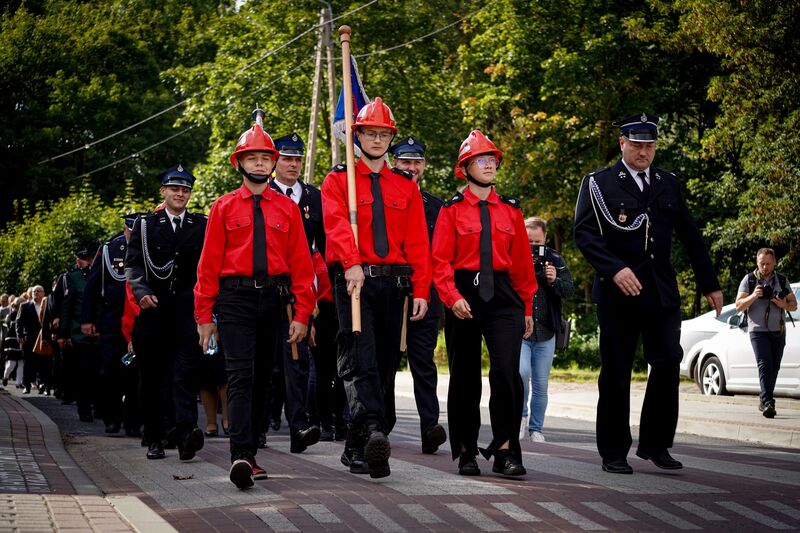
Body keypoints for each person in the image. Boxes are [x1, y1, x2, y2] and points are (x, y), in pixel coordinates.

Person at [574, 112, 723, 475]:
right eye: (637, 144)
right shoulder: (599, 183)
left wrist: (710, 283)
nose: (644, 152)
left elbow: (690, 236)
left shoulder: (667, 183)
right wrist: (614, 269)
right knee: (616, 372)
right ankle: (613, 450)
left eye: (650, 145)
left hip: (660, 293)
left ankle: (656, 444)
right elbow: (585, 234)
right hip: (618, 294)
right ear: (622, 144)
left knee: (668, 362)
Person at [194, 117, 315, 489]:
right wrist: (204, 316)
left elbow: (301, 265)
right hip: (235, 301)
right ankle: (240, 456)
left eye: (266, 158)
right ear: (240, 163)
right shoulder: (224, 207)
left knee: (265, 381)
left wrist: (303, 314)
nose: (260, 164)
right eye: (253, 158)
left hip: (275, 302)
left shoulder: (288, 209)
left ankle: (253, 451)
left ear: (273, 163)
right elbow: (208, 265)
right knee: (241, 377)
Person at [321, 97, 431, 479]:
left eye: (384, 134)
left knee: (384, 365)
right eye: (370, 133)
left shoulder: (405, 186)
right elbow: (335, 225)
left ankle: (357, 444)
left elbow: (418, 241)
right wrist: (351, 262)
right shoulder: (338, 180)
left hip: (395, 282)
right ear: (358, 135)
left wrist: (421, 289)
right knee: (360, 358)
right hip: (354, 281)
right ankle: (373, 431)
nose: (378, 139)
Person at [432, 129, 535, 477]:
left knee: (507, 373)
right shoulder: (451, 210)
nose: (489, 165)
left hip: (504, 297)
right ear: (465, 167)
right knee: (464, 377)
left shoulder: (511, 211)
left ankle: (506, 449)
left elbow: (522, 263)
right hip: (464, 294)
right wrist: (452, 296)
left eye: (492, 159)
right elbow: (440, 260)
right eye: (481, 160)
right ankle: (465, 450)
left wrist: (527, 308)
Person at [125, 165, 207, 461]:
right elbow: (132, 264)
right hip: (153, 314)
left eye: (185, 190)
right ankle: (155, 437)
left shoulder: (201, 225)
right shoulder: (146, 225)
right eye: (174, 189)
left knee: (184, 375)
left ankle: (186, 434)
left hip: (186, 314)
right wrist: (140, 290)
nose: (180, 194)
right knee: (152, 379)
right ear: (163, 191)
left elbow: (207, 268)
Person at [265, 132, 323, 452]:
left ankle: (298, 425)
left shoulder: (313, 198)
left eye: (298, 159)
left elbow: (322, 246)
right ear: (275, 162)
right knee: (266, 363)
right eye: (287, 158)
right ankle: (259, 424)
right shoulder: (265, 192)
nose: (293, 164)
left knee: (297, 361)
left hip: (301, 289)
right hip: (267, 288)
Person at [389, 136, 447, 454]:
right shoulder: (383, 199)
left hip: (426, 295)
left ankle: (429, 427)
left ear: (423, 166)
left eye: (416, 162)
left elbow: (440, 255)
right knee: (385, 362)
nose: (411, 168)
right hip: (389, 293)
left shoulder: (437, 207)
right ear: (393, 163)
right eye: (405, 162)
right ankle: (381, 425)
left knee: (423, 362)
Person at [81, 215, 142, 436]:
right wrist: (87, 319)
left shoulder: (148, 246)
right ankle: (112, 417)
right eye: (130, 231)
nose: (133, 235)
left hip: (138, 322)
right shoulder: (108, 249)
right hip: (111, 321)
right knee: (110, 371)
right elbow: (93, 285)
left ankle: (134, 421)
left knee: (135, 374)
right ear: (124, 230)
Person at [519, 217, 574, 443]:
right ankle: (520, 418)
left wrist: (554, 280)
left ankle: (536, 429)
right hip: (520, 331)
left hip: (547, 331)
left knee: (541, 384)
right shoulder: (513, 256)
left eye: (537, 241)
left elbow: (569, 290)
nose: (532, 246)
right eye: (528, 240)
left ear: (545, 239)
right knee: (521, 374)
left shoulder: (555, 260)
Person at [734, 248, 797, 418]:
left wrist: (783, 304)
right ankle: (768, 402)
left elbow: (794, 305)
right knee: (764, 364)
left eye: (768, 263)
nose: (765, 267)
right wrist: (754, 295)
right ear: (757, 262)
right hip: (757, 331)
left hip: (778, 331)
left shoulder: (782, 280)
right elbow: (738, 305)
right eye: (762, 263)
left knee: (774, 367)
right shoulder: (750, 280)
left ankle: (764, 400)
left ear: (774, 262)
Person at [60, 244, 102, 419]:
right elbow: (67, 306)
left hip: (102, 332)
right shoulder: (74, 277)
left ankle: (100, 407)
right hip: (80, 333)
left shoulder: (106, 275)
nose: (92, 261)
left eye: (94, 257)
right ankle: (84, 409)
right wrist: (63, 333)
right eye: (89, 258)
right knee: (83, 371)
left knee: (100, 372)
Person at [16, 285, 49, 395]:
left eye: (39, 291)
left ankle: (42, 384)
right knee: (28, 363)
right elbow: (19, 322)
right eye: (34, 291)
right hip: (29, 338)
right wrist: (19, 335)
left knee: (43, 362)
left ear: (43, 293)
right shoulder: (25, 306)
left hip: (43, 338)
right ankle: (27, 385)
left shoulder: (47, 305)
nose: (36, 293)